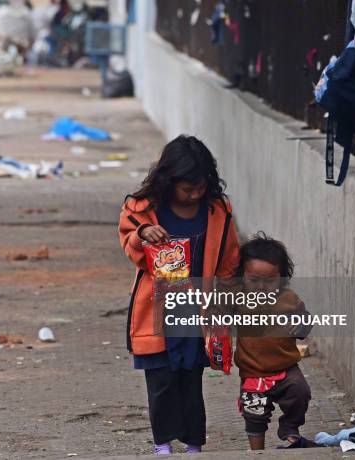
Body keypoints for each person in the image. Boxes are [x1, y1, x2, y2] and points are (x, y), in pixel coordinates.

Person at [118, 135, 240, 455]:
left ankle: (194, 444)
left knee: (190, 380)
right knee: (160, 382)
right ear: (169, 181)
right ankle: (162, 445)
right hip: (155, 309)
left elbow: (228, 261)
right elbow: (130, 247)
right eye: (187, 188)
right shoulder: (142, 208)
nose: (194, 194)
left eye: (199, 186)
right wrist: (143, 234)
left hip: (197, 310)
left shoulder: (218, 210)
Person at [234, 233, 316, 449]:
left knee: (300, 392)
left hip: (286, 368)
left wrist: (301, 326)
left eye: (270, 281)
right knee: (254, 413)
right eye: (254, 280)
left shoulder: (289, 299)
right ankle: (257, 451)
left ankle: (290, 428)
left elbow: (304, 324)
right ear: (242, 276)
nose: (262, 287)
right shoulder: (237, 299)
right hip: (253, 372)